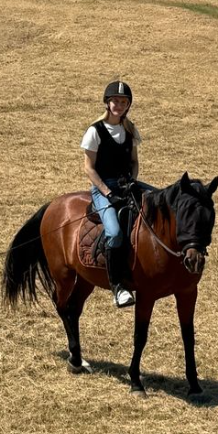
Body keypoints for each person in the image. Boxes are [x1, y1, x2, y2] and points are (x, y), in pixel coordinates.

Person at [80, 80, 140, 308]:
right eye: (115, 100)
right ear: (107, 102)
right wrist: (107, 192)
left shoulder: (130, 130)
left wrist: (133, 181)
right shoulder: (94, 131)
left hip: (128, 184)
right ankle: (117, 287)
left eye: (123, 101)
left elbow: (134, 162)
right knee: (114, 232)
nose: (119, 104)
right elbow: (88, 168)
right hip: (102, 188)